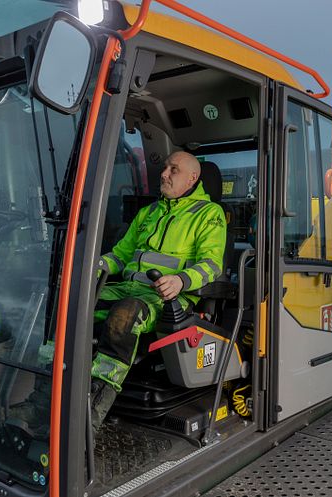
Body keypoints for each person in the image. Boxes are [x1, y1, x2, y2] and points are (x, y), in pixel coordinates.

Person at [90, 151, 227, 430]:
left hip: (166, 299)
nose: (164, 173)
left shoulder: (209, 214)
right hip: (127, 289)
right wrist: (93, 266)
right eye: (165, 167)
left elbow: (211, 264)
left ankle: (90, 413)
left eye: (173, 169)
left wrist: (180, 280)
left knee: (124, 315)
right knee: (69, 304)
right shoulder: (148, 213)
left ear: (192, 178)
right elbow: (119, 255)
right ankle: (46, 395)